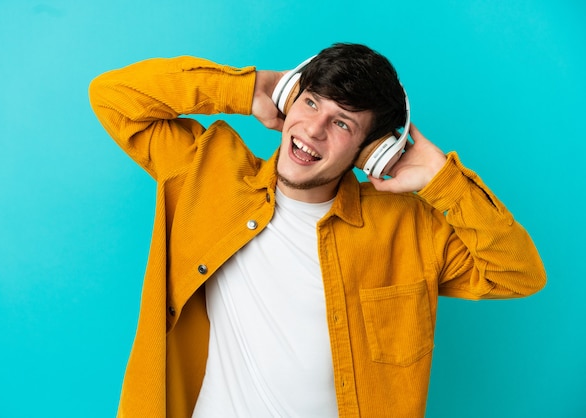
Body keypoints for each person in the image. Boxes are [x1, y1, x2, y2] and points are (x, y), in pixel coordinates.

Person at [89, 43, 546, 418]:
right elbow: (112, 97)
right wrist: (249, 88)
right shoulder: (208, 173)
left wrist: (443, 182)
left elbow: (517, 274)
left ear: (371, 152)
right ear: (290, 101)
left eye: (342, 122)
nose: (313, 128)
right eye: (309, 102)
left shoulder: (407, 228)